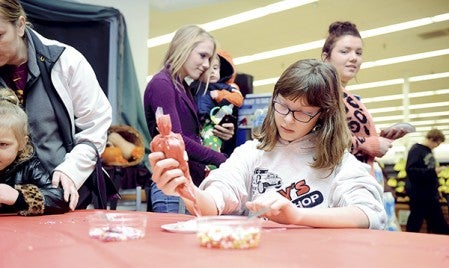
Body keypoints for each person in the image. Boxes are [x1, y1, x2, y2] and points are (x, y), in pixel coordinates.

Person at [149, 59, 387, 229]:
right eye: (282, 105)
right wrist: (185, 186)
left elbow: (369, 213)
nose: (287, 118)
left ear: (323, 115)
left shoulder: (340, 163)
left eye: (303, 112)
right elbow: (214, 202)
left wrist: (297, 216)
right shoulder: (252, 153)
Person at [0, 0, 112, 210]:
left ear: (21, 25)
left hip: (63, 195)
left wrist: (71, 170)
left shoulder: (66, 61)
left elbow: (95, 126)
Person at [143, 25, 234, 213]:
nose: (207, 65)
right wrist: (221, 159)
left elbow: (191, 136)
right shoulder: (162, 84)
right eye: (203, 55)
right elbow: (175, 138)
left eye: (209, 59)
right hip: (172, 186)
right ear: (183, 47)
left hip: (187, 183)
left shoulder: (183, 86)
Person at [321, 21, 409, 174]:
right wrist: (372, 144)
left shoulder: (342, 94)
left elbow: (346, 135)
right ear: (326, 57)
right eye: (345, 51)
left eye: (358, 53)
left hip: (352, 178)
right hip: (335, 182)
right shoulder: (323, 92)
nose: (354, 58)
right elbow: (320, 139)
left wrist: (380, 138)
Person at [0, 87, 70, 215]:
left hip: (20, 232)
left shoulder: (29, 166)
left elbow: (60, 198)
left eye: (3, 144)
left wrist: (17, 197)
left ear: (22, 143)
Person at [192, 50, 243, 152]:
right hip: (195, 125)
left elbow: (238, 99)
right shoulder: (193, 87)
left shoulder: (224, 87)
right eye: (208, 69)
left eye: (215, 68)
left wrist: (220, 94)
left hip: (213, 122)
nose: (212, 71)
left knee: (211, 146)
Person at [405, 129, 449, 234]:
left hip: (430, 194)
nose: (436, 146)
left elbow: (429, 174)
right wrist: (434, 171)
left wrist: (436, 188)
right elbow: (411, 170)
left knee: (437, 223)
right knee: (416, 222)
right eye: (437, 143)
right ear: (432, 139)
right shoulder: (416, 150)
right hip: (419, 194)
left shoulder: (428, 151)